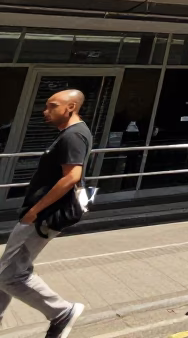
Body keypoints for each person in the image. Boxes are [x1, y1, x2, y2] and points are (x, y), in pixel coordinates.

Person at [0, 90, 91, 337]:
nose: (45, 111)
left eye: (52, 106)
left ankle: (61, 312)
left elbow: (72, 176)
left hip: (41, 217)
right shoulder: (70, 133)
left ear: (70, 107)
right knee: (7, 270)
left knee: (10, 275)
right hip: (39, 215)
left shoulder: (73, 136)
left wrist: (35, 211)